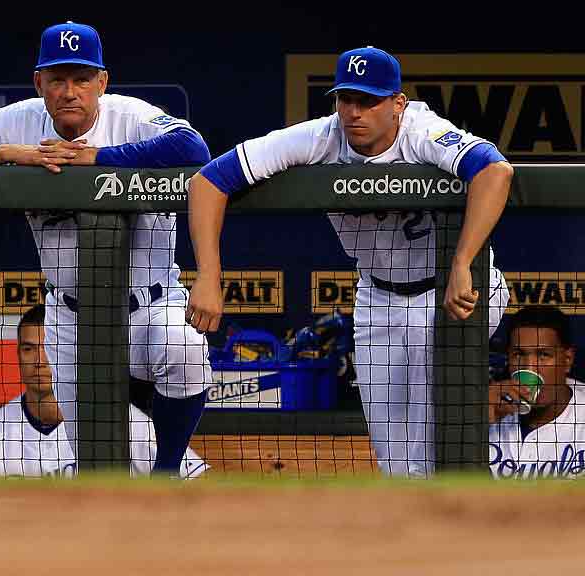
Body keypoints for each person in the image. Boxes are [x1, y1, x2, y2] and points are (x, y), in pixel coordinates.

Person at [187, 46, 513, 478]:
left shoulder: (423, 131)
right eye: (346, 99)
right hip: (378, 294)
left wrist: (462, 262)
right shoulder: (321, 137)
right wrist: (210, 275)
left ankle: (456, 525)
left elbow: (495, 171)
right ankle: (415, 528)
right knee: (392, 451)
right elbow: (208, 181)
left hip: (453, 293)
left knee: (431, 436)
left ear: (398, 104)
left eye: (369, 100)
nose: (354, 112)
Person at [0, 21, 212, 474]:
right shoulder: (18, 121)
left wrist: (100, 159)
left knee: (185, 350)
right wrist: (12, 153)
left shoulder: (129, 117)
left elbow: (193, 147)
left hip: (149, 305)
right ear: (40, 84)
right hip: (73, 315)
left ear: (102, 83)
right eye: (57, 79)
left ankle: (166, 473)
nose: (69, 91)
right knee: (90, 454)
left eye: (81, 78)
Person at [0, 305, 209, 478]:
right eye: (29, 349)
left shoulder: (116, 419)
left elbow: (198, 476)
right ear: (17, 356)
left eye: (49, 348)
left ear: (65, 352)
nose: (40, 360)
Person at [489, 306, 585, 479]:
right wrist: (476, 418)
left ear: (567, 359)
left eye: (543, 355)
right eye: (519, 355)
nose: (530, 368)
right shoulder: (487, 403)